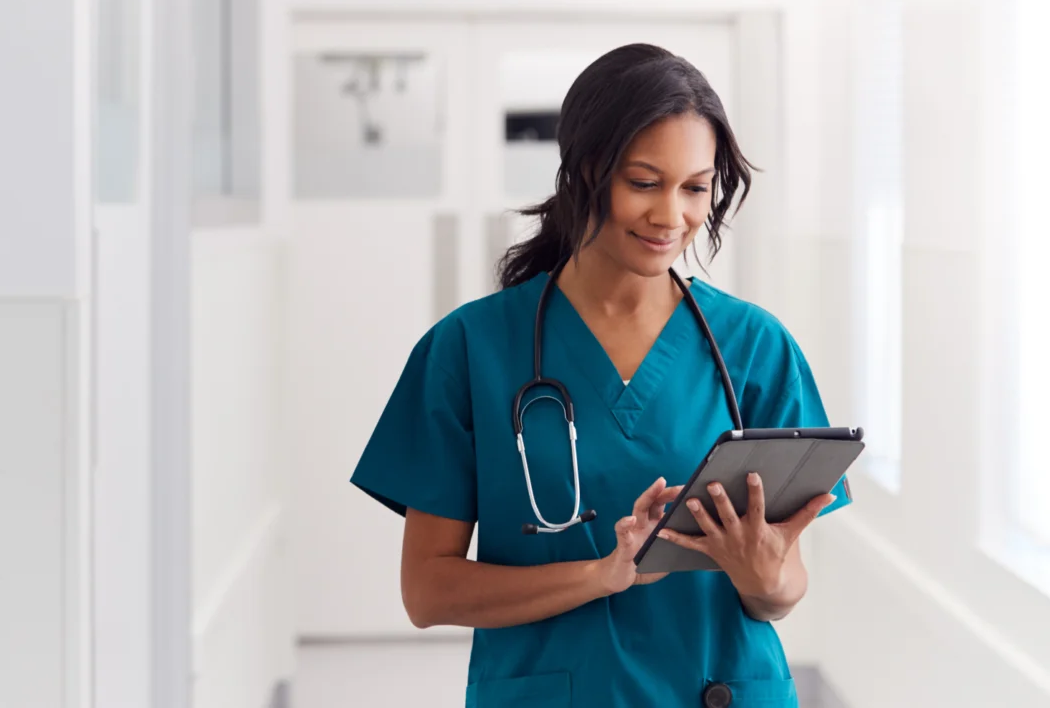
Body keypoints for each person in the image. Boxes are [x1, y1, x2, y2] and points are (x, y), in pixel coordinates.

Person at [349, 43, 851, 708]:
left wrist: (765, 576)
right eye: (644, 182)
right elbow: (428, 592)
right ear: (586, 172)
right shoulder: (469, 350)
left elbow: (781, 592)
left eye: (694, 188)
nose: (671, 216)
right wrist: (602, 574)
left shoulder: (755, 349)